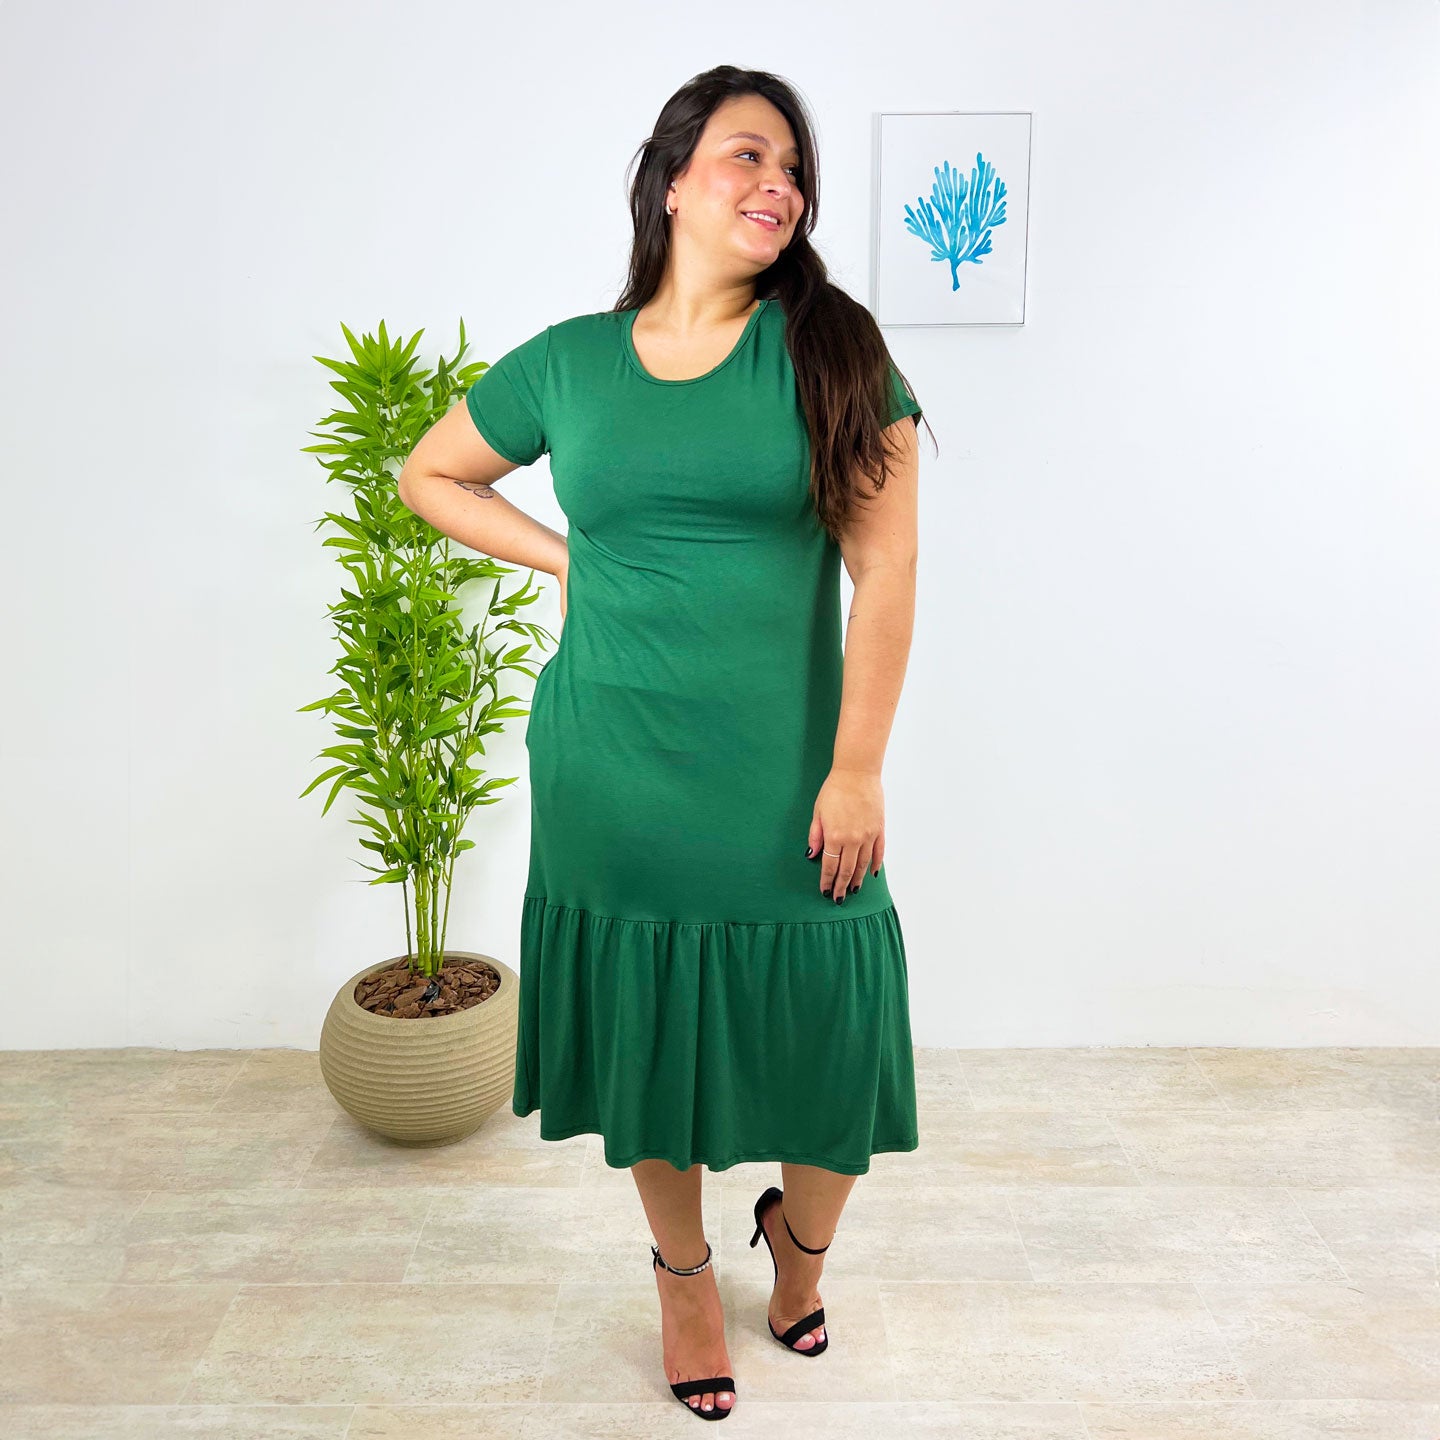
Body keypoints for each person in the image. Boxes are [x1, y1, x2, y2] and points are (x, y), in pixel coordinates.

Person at [399, 64, 930, 1423]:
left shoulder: (831, 352)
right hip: (612, 764)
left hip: (790, 771)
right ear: (674, 179)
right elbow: (429, 474)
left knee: (835, 1032)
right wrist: (564, 557)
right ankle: (684, 1273)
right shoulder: (571, 362)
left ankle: (799, 1249)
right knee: (653, 1030)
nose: (779, 184)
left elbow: (887, 573)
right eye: (750, 155)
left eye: (795, 169)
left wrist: (857, 767)